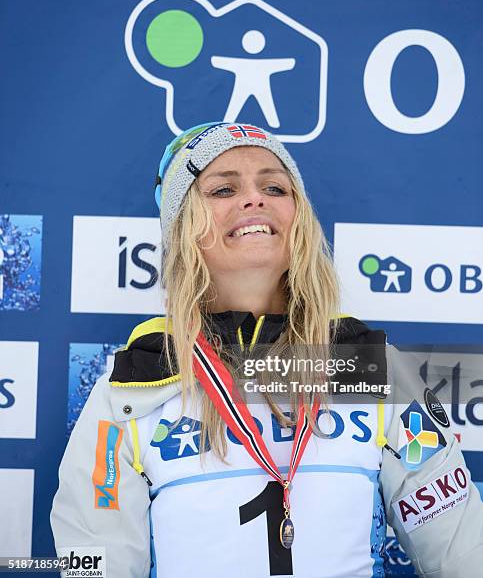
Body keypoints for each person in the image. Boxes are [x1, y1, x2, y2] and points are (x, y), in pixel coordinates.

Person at [51, 122, 483, 577]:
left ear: (299, 217)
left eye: (275, 186)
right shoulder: (135, 385)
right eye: (222, 190)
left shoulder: (369, 367)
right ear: (182, 229)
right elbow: (98, 562)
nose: (254, 198)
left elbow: (461, 551)